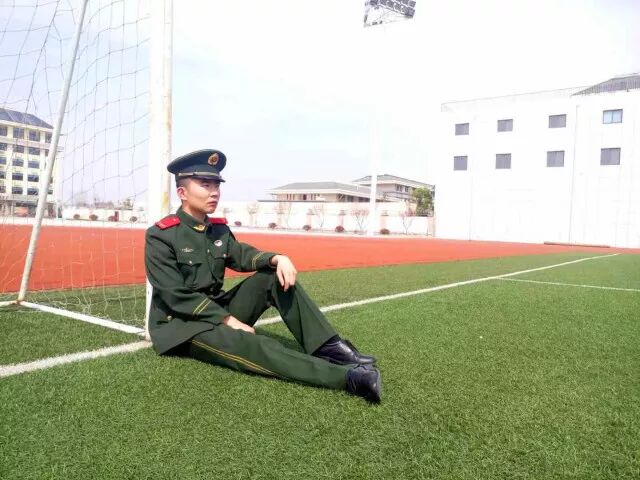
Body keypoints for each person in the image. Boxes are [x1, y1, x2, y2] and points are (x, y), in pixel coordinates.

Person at [144, 149, 381, 402]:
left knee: (272, 276)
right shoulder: (161, 235)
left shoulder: (218, 230)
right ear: (182, 193)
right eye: (205, 185)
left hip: (216, 310)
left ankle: (329, 348)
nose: (214, 192)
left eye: (216, 185)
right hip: (182, 326)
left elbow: (241, 255)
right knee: (255, 345)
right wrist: (228, 320)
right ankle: (348, 377)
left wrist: (277, 258)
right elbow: (175, 295)